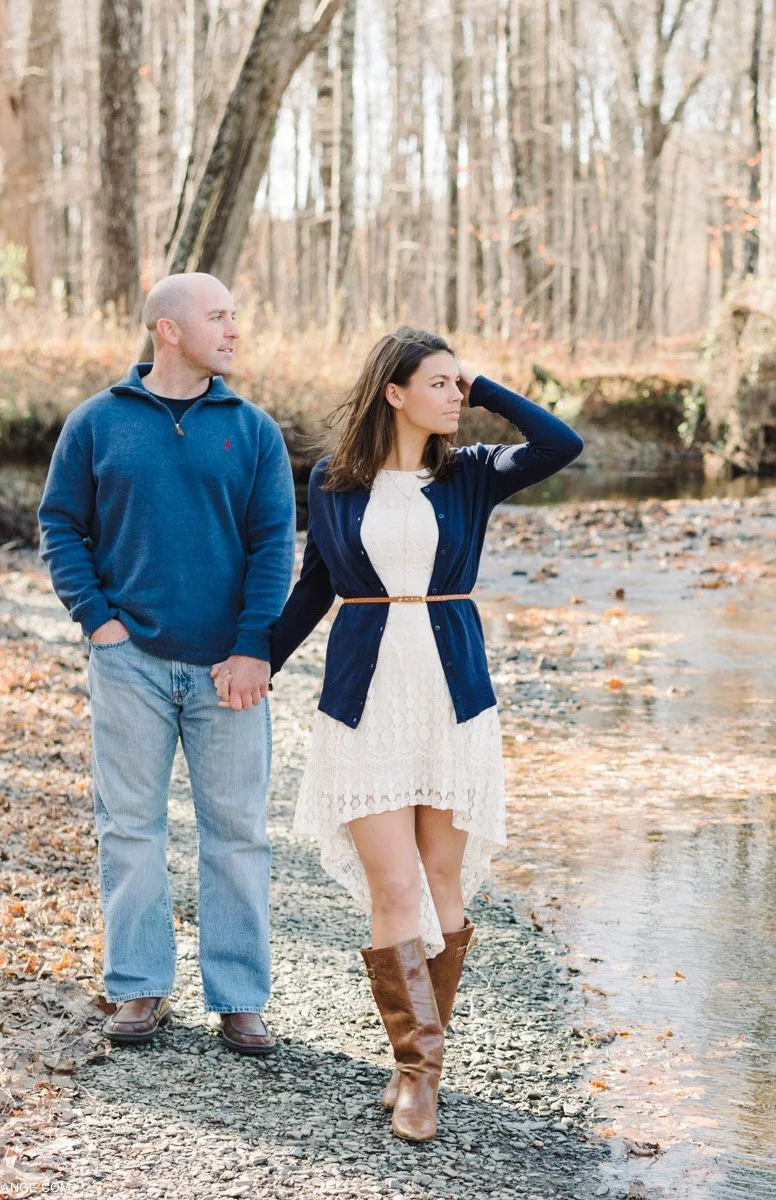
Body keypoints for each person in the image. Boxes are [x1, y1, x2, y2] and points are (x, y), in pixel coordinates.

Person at [254, 327, 582, 1142]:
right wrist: (256, 660)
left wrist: (483, 385)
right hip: (365, 704)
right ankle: (414, 1071)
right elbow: (315, 589)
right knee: (395, 888)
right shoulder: (333, 482)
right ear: (393, 394)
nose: (455, 397)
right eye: (439, 383)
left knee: (441, 881)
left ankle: (418, 1073)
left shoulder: (472, 473)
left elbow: (560, 444)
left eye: (457, 384)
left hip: (450, 702)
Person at [38, 272, 295, 1055]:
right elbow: (60, 525)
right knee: (129, 830)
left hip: (229, 672)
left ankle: (240, 997)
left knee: (237, 833)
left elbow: (274, 545)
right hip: (130, 664)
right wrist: (99, 622)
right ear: (169, 330)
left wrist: (253, 646)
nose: (235, 330)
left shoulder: (253, 430)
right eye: (219, 317)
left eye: (235, 316)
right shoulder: (97, 422)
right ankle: (138, 985)